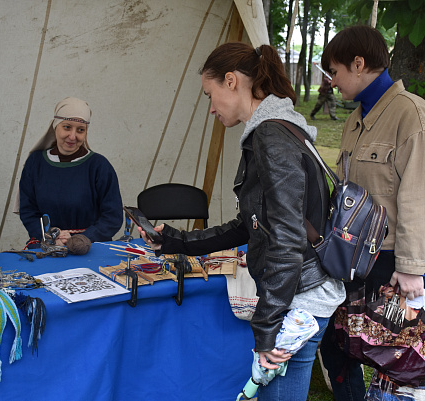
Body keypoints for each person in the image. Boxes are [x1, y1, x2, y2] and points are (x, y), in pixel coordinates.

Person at [138, 42, 346, 401]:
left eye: (210, 94)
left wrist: (266, 331)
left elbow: (286, 239)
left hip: (299, 302)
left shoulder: (270, 136)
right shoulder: (278, 128)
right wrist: (177, 241)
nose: (211, 108)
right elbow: (251, 224)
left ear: (231, 81)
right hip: (301, 295)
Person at [318, 25, 425, 400]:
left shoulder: (413, 117)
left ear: (358, 64)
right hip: (358, 255)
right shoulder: (356, 117)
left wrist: (411, 268)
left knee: (400, 361)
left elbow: (421, 198)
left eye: (335, 71)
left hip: (400, 260)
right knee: (341, 343)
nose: (333, 82)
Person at [17, 97, 123, 246]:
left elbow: (112, 217)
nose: (73, 136)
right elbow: (28, 210)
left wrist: (82, 239)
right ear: (55, 127)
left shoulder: (99, 166)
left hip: (90, 246)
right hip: (46, 246)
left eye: (80, 130)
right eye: (67, 127)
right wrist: (50, 236)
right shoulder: (36, 163)